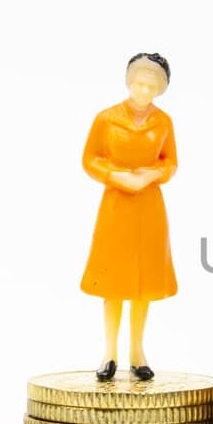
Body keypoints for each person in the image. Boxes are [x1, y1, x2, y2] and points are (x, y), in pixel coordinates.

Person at [79, 53, 178, 381]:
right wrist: (116, 176)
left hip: (148, 207)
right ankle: (109, 352)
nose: (144, 91)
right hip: (116, 205)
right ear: (128, 81)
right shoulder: (107, 119)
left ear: (160, 89)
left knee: (143, 284)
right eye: (139, 83)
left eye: (151, 86)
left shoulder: (163, 122)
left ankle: (137, 351)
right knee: (114, 281)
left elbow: (171, 162)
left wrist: (152, 175)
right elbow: (90, 158)